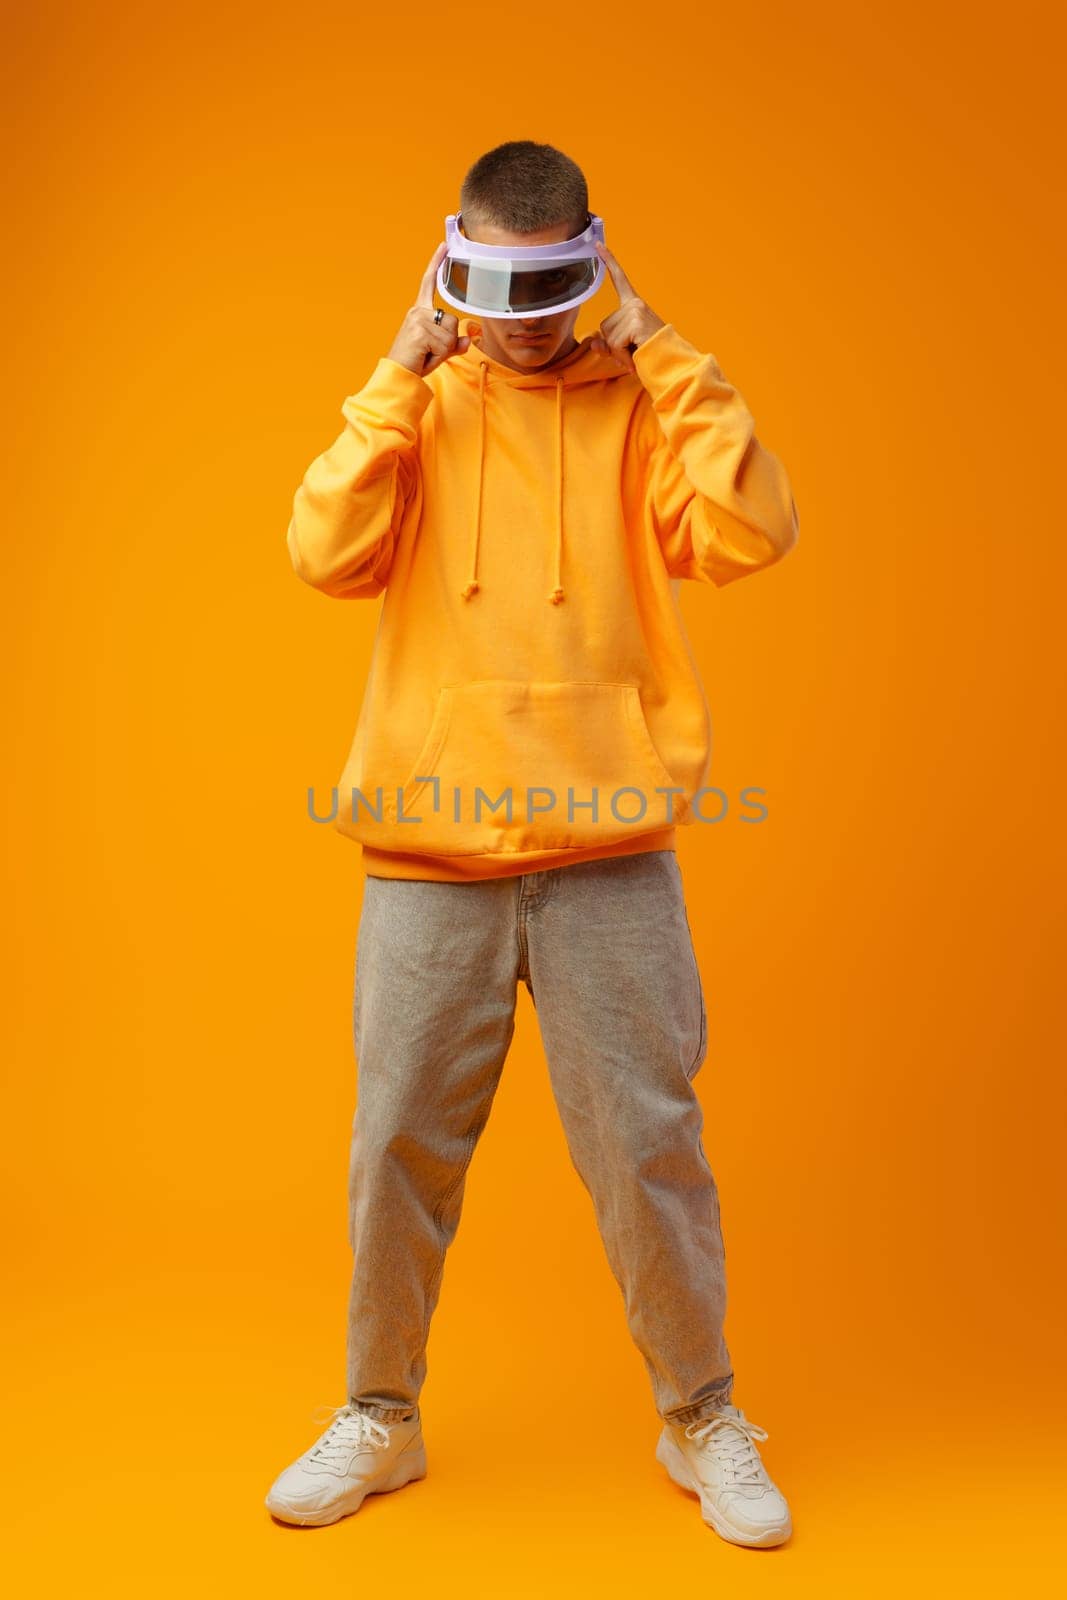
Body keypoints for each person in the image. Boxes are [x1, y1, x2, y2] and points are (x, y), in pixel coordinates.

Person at [266, 141, 799, 1548]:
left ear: (588, 260)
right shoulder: (424, 405)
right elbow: (322, 551)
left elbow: (753, 531)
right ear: (455, 262)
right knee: (394, 1150)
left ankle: (702, 1416)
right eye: (498, 284)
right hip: (427, 854)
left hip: (610, 847)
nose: (522, 318)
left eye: (552, 283)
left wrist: (664, 346)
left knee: (649, 1148)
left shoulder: (636, 403)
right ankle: (379, 1412)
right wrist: (397, 368)